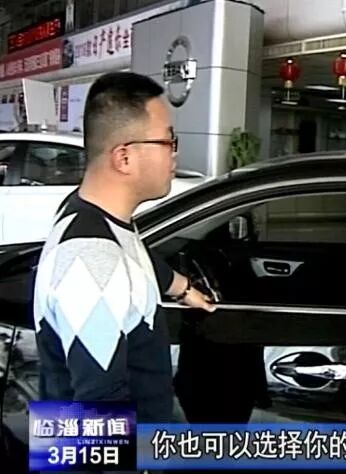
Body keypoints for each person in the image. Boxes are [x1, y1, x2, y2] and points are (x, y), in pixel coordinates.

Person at [32, 72, 216, 430]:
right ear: (124, 157)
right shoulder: (92, 258)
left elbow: (134, 258)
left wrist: (182, 287)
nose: (175, 153)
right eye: (168, 141)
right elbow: (99, 413)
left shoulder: (91, 213)